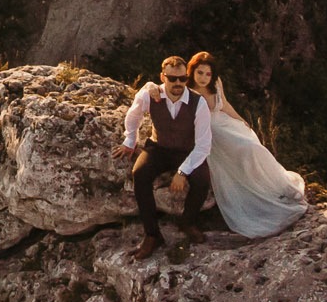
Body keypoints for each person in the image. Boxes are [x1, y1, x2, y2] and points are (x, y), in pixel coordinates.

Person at [143, 51, 307, 238]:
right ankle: (256, 194)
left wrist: (242, 121)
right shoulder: (185, 89)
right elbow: (161, 87)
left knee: (253, 146)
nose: (204, 78)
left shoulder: (216, 84)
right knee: (246, 150)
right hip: (211, 133)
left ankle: (274, 186)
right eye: (199, 73)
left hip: (224, 124)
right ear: (192, 72)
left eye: (208, 74)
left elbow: (225, 105)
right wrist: (149, 86)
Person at [116, 54, 211, 261]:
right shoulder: (150, 95)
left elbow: (204, 144)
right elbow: (133, 116)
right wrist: (130, 140)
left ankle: (187, 222)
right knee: (139, 174)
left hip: (187, 150)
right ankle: (152, 235)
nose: (178, 83)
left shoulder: (198, 103)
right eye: (172, 78)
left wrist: (182, 172)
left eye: (182, 78)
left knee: (202, 179)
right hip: (158, 148)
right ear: (163, 76)